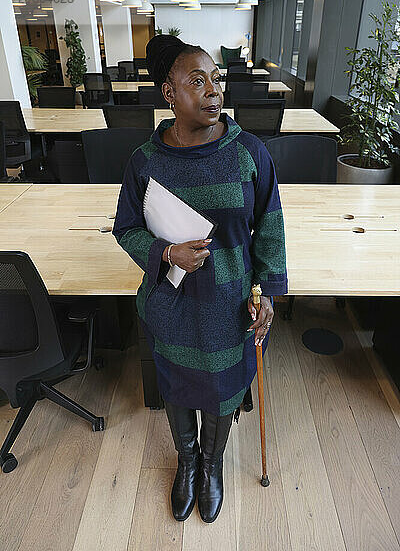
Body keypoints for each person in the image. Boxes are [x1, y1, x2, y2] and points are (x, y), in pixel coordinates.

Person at [113, 35, 288, 523]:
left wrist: (270, 292)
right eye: (198, 81)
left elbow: (270, 226)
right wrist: (165, 250)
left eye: (217, 80)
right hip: (172, 303)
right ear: (169, 93)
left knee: (220, 390)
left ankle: (211, 466)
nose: (214, 91)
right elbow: (125, 229)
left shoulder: (249, 153)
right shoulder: (145, 162)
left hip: (232, 306)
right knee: (177, 386)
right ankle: (186, 461)